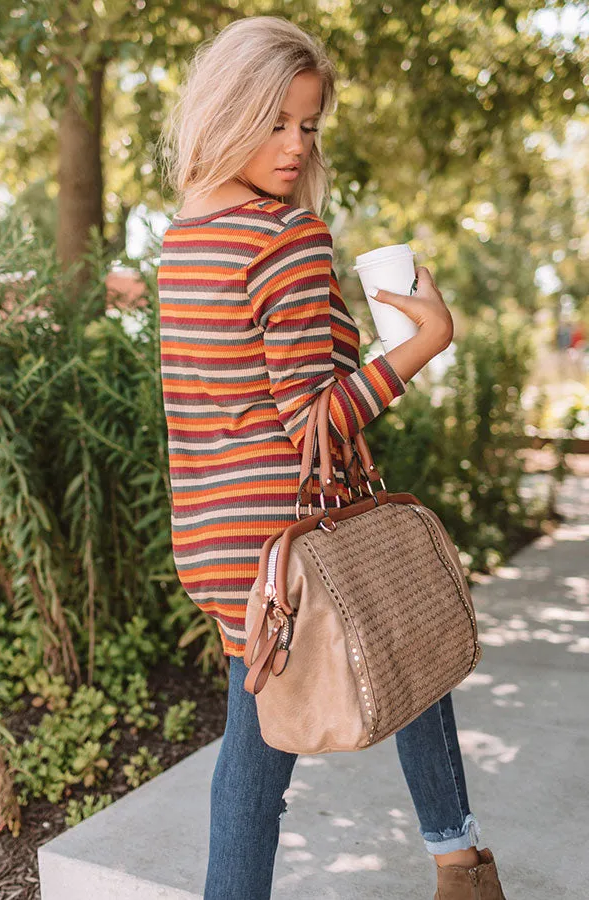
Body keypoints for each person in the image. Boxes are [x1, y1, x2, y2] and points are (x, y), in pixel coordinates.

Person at [156, 15, 508, 900]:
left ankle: (459, 861)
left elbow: (218, 405)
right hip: (294, 542)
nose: (292, 146)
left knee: (408, 642)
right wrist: (421, 343)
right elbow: (314, 421)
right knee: (259, 753)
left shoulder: (184, 243)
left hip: (217, 537)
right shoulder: (287, 239)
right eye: (273, 122)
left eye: (307, 126)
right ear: (227, 112)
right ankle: (459, 867)